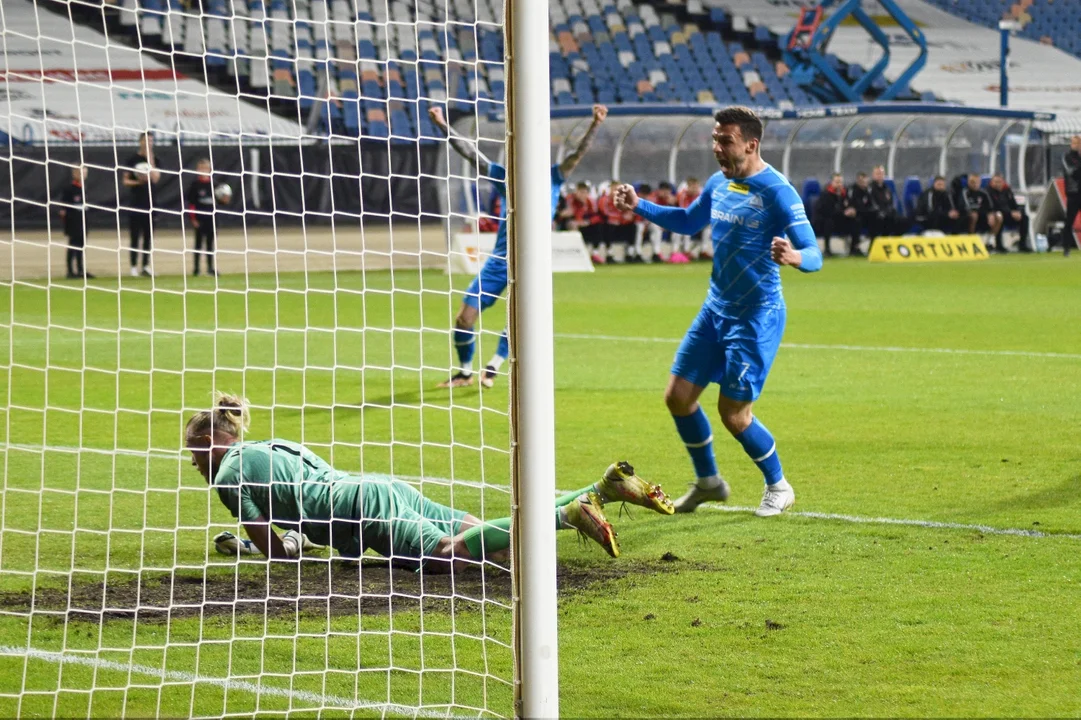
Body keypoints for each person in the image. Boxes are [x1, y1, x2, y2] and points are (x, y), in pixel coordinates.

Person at [611, 106, 822, 518]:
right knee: (678, 397)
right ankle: (709, 483)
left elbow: (814, 253)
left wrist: (796, 256)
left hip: (755, 316)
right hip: (715, 309)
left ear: (750, 144)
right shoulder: (718, 183)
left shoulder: (778, 192)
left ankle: (779, 486)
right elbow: (690, 222)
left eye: (725, 141)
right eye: (714, 139)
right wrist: (640, 205)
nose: (716, 148)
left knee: (735, 415)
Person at [185, 394, 676, 567]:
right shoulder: (271, 445)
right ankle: (603, 486)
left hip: (363, 511)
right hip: (378, 488)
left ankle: (566, 513)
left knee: (450, 557)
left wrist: (273, 548)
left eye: (193, 452)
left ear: (212, 439)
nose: (193, 463)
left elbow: (267, 543)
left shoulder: (229, 471)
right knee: (492, 545)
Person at [430, 104, 607, 388]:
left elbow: (578, 153)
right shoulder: (506, 176)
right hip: (500, 260)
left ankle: (493, 366)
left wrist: (595, 124)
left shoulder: (554, 176)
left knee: (519, 318)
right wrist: (441, 123)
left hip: (532, 262)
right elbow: (469, 152)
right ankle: (464, 373)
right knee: (464, 317)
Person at [121, 131, 161, 277]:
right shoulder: (132, 160)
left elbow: (155, 178)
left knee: (148, 237)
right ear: (140, 141)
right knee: (135, 237)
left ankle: (145, 266)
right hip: (136, 203)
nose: (149, 143)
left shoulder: (155, 159)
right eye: (146, 140)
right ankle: (133, 266)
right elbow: (125, 181)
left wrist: (150, 160)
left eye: (151, 140)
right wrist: (139, 180)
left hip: (150, 204)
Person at [185, 157, 222, 276]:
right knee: (198, 244)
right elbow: (191, 204)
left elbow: (220, 201)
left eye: (206, 168)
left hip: (211, 218)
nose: (203, 171)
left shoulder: (215, 185)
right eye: (201, 168)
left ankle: (210, 268)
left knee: (210, 244)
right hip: (200, 219)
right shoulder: (195, 185)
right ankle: (196, 268)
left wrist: (225, 199)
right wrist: (193, 218)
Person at [57, 165, 94, 280]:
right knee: (73, 245)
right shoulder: (69, 189)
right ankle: (70, 270)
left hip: (83, 220)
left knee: (81, 246)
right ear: (75, 174)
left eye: (85, 173)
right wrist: (67, 221)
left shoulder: (85, 188)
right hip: (73, 221)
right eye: (81, 173)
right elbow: (64, 208)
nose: (83, 175)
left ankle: (81, 269)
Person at [813, 172, 860, 256]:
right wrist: (843, 213)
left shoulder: (844, 194)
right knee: (828, 222)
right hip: (825, 221)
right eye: (837, 182)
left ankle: (854, 248)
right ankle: (827, 249)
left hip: (839, 220)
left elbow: (849, 205)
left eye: (840, 182)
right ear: (832, 182)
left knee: (856, 220)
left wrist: (851, 210)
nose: (839, 184)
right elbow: (827, 211)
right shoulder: (825, 194)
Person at [986, 173, 1029, 253]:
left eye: (999, 182)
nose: (998, 184)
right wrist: (1010, 213)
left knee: (1025, 218)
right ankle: (999, 245)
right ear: (991, 183)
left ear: (1003, 182)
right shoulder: (988, 192)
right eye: (996, 182)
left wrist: (1018, 212)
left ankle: (1022, 245)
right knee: (999, 216)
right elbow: (993, 206)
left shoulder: (1007, 191)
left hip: (1009, 215)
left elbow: (1014, 204)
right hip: (997, 215)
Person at [597, 179, 636, 263]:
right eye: (614, 188)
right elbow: (605, 212)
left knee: (633, 226)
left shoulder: (626, 199)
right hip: (609, 225)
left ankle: (630, 253)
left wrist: (627, 217)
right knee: (608, 226)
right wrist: (621, 217)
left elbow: (630, 211)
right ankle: (609, 254)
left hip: (622, 225)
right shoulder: (604, 199)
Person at [635, 181, 676, 263]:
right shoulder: (652, 198)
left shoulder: (668, 200)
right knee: (640, 227)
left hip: (652, 222)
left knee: (656, 228)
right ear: (660, 190)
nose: (666, 194)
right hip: (640, 221)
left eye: (668, 192)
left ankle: (656, 253)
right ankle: (637, 253)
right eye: (664, 191)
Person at [957, 173, 999, 250]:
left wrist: (990, 214)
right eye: (972, 182)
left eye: (976, 182)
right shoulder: (965, 192)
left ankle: (990, 241)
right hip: (966, 217)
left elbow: (990, 207)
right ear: (968, 182)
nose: (975, 184)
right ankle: (972, 242)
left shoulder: (983, 193)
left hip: (982, 216)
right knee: (974, 215)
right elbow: (965, 207)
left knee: (998, 216)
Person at [867, 165, 909, 239]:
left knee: (904, 221)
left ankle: (894, 241)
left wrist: (890, 211)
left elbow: (890, 203)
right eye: (878, 173)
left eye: (881, 173)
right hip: (875, 216)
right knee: (885, 219)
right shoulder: (870, 188)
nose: (880, 176)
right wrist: (882, 212)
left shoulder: (886, 188)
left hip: (887, 214)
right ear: (873, 175)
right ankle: (881, 241)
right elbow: (871, 204)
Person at [671, 177, 703, 263]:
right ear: (688, 187)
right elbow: (684, 212)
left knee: (708, 228)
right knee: (681, 229)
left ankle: (703, 251)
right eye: (693, 187)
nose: (695, 189)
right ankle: (676, 252)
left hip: (695, 219)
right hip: (679, 218)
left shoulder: (701, 194)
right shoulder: (682, 194)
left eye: (696, 187)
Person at [1061, 134, 1081, 257]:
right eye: (1075, 143)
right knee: (1069, 220)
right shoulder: (1067, 157)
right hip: (1073, 192)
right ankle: (1066, 247)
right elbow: (1071, 172)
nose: (1077, 145)